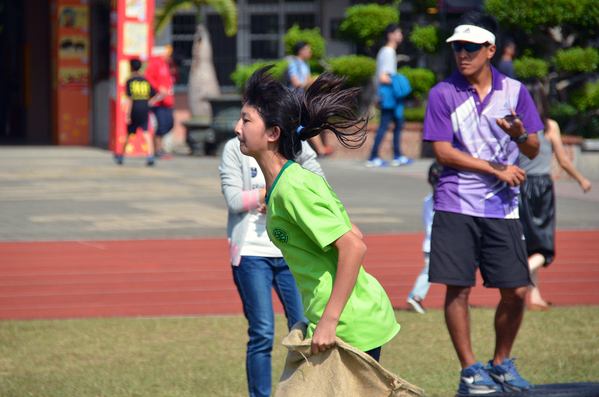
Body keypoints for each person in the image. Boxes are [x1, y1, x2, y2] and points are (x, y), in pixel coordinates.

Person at [236, 66, 400, 363]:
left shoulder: (293, 187)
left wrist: (329, 320)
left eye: (246, 120)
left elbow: (353, 246)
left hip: (349, 324)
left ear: (273, 133)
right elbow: (354, 233)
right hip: (340, 317)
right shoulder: (287, 184)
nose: (237, 128)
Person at [423, 12, 544, 395]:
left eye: (471, 47)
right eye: (457, 46)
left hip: (502, 208)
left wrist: (520, 134)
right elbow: (443, 153)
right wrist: (496, 168)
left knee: (517, 290)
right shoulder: (442, 93)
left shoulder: (515, 91)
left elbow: (534, 147)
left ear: (490, 49)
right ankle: (470, 370)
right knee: (458, 289)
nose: (462, 54)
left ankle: (501, 364)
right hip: (455, 203)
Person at [219, 137, 324, 397]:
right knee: (262, 333)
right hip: (251, 253)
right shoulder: (235, 148)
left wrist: (285, 197)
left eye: (247, 118)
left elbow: (318, 184)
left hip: (291, 253)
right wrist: (275, 191)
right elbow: (234, 200)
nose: (239, 127)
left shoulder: (293, 142)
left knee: (305, 330)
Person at [519, 78, 592, 311]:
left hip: (517, 186)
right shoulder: (549, 126)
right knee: (543, 246)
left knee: (528, 244)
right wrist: (581, 179)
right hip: (540, 189)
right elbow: (562, 160)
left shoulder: (514, 126)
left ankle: (536, 296)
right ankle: (518, 274)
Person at [366, 24, 414, 168]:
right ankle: (375, 156)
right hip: (389, 96)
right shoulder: (388, 52)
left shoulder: (387, 51)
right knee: (386, 125)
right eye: (398, 33)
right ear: (390, 35)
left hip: (388, 95)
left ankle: (396, 155)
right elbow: (383, 77)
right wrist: (399, 80)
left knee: (397, 123)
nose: (401, 36)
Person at [406, 161, 443, 314]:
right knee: (434, 272)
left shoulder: (427, 200)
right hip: (442, 244)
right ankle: (416, 296)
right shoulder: (447, 201)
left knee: (430, 271)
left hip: (429, 243)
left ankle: (416, 296)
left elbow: (424, 219)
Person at [286, 41, 332, 158]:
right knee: (305, 123)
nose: (310, 52)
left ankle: (319, 149)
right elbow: (295, 82)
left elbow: (307, 81)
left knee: (304, 123)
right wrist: (311, 81)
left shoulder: (305, 64)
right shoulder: (293, 64)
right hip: (295, 100)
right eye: (308, 50)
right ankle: (320, 150)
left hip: (303, 99)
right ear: (301, 51)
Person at [114, 59, 157, 166]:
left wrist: (127, 115)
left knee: (129, 133)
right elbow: (155, 94)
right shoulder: (145, 81)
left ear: (131, 67)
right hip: (144, 110)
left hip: (134, 110)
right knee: (146, 132)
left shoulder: (130, 81)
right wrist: (149, 103)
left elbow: (129, 99)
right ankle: (151, 156)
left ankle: (121, 155)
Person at [145, 45, 176, 160]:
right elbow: (148, 78)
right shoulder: (156, 62)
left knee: (170, 123)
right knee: (162, 124)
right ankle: (158, 150)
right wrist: (158, 88)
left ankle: (159, 148)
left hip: (168, 101)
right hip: (158, 101)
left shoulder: (171, 65)